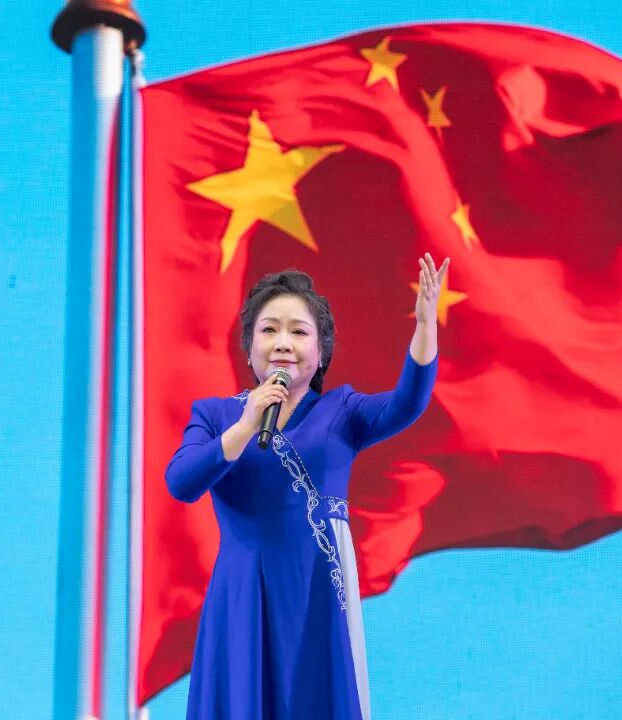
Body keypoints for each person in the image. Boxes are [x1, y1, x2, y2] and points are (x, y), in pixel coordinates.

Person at [166, 253, 449, 720]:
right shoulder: (216, 415)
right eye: (269, 329)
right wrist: (246, 424)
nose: (283, 342)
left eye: (299, 332)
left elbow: (408, 403)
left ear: (320, 354)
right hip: (243, 596)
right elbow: (181, 481)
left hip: (318, 596)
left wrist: (424, 327)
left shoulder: (343, 412)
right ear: (249, 346)